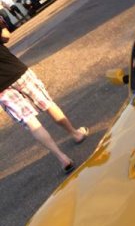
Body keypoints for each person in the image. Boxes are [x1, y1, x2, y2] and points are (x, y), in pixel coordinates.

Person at [0, 19, 88, 173]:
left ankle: (62, 158)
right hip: (18, 73)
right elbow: (5, 36)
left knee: (30, 122)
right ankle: (75, 134)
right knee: (47, 104)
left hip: (2, 89)